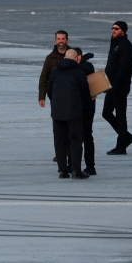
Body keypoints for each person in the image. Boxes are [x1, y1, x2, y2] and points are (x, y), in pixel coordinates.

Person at [47, 48, 91, 179]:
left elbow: (49, 92)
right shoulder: (79, 74)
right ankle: (76, 170)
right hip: (74, 113)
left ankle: (62, 170)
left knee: (60, 141)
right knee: (75, 140)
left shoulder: (55, 73)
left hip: (57, 113)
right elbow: (85, 94)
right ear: (76, 58)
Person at [104, 21, 132, 155]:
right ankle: (125, 137)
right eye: (112, 28)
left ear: (123, 30)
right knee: (106, 113)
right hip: (110, 85)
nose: (113, 30)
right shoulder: (115, 43)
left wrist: (115, 85)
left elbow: (124, 69)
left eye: (116, 29)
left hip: (120, 86)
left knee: (121, 115)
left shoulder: (126, 46)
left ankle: (121, 145)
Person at [78, 51, 98, 176]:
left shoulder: (79, 69)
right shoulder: (88, 67)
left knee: (76, 137)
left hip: (79, 106)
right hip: (89, 106)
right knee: (87, 136)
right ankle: (90, 166)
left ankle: (72, 166)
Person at [38, 30, 70, 108]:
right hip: (56, 95)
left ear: (67, 40)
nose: (61, 41)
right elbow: (44, 78)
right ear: (55, 41)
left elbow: (84, 75)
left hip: (73, 95)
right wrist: (42, 97)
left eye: (63, 39)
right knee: (57, 118)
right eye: (58, 39)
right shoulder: (50, 58)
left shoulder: (74, 55)